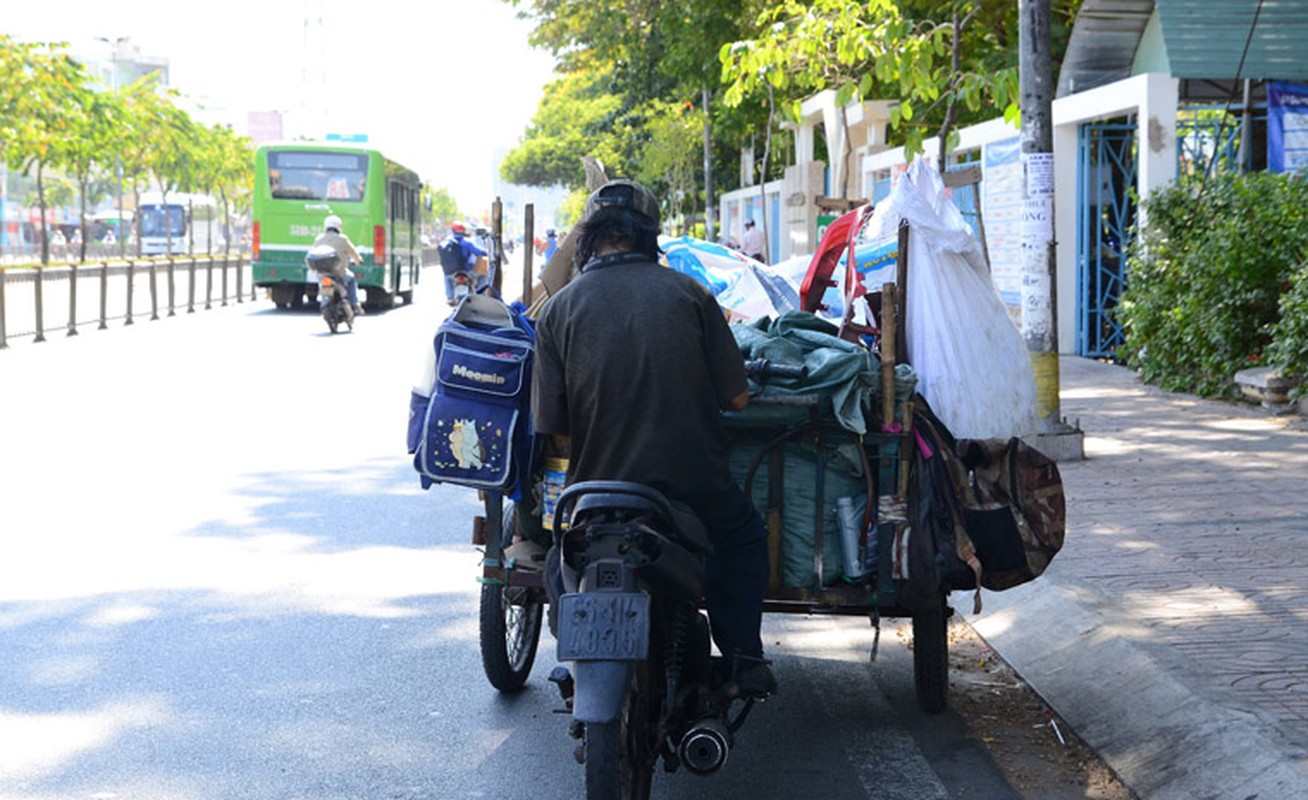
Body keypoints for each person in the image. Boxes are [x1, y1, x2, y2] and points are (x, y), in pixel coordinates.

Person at [531, 178, 777, 698]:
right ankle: (741, 659)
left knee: (558, 559)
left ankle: (573, 658)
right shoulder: (691, 295)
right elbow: (737, 400)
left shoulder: (557, 310)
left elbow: (553, 426)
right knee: (743, 539)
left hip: (594, 495)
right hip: (692, 487)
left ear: (588, 238)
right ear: (649, 235)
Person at [314, 215, 364, 315]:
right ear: (339, 227)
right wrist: (358, 260)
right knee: (351, 279)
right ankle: (354, 304)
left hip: (322, 273)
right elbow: (353, 252)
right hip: (339, 272)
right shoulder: (343, 239)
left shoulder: (318, 239)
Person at [437, 221, 488, 305]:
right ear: (463, 230)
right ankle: (480, 295)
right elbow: (480, 252)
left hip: (450, 272)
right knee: (483, 276)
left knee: (447, 277)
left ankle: (450, 297)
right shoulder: (466, 242)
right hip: (466, 271)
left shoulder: (445, 241)